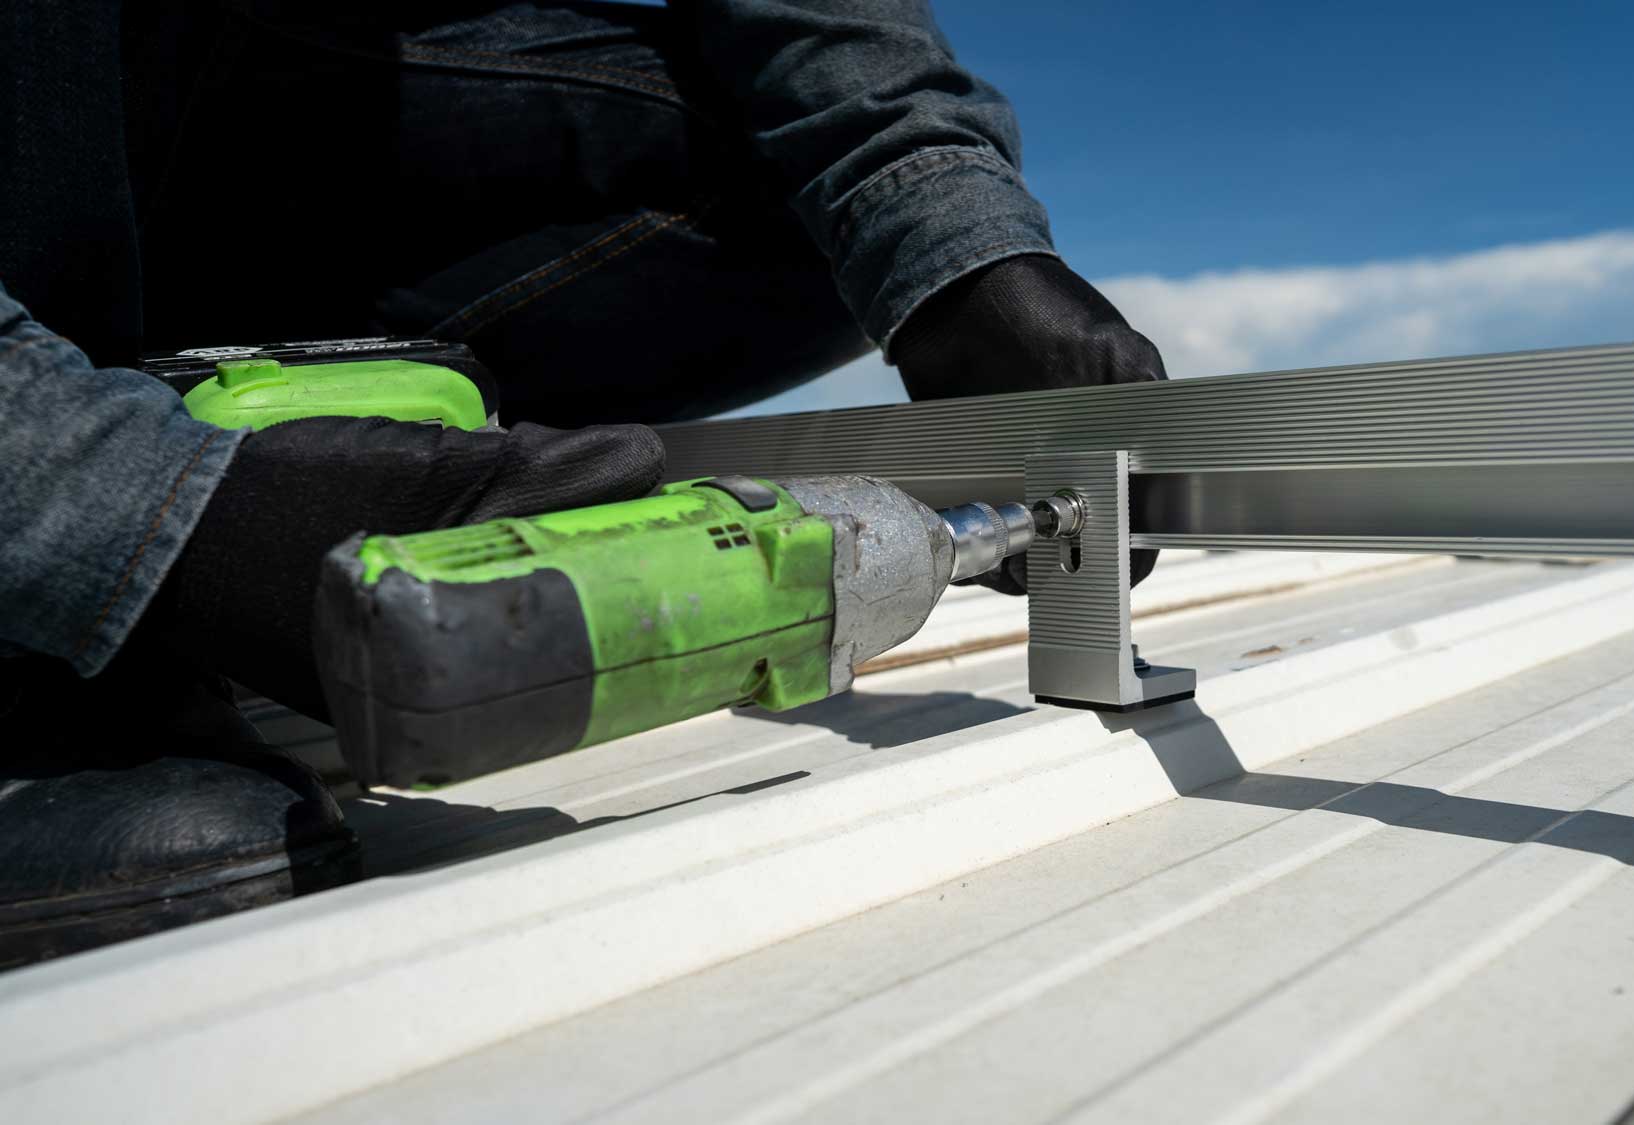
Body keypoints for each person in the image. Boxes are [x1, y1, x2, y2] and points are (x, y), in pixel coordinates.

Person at [0, 0, 1167, 965]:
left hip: (200, 102)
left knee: (795, 180)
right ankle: (39, 653)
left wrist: (947, 237)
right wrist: (155, 515)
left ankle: (224, 395)